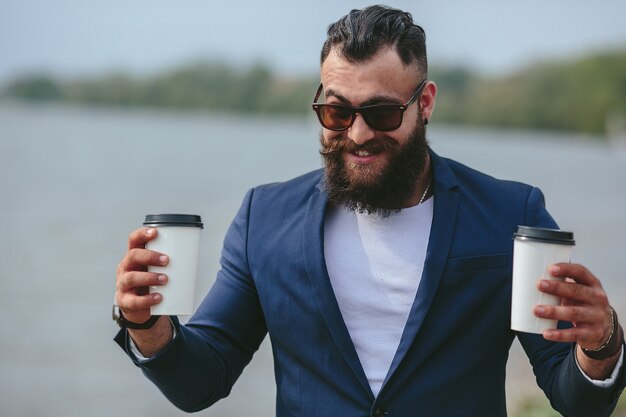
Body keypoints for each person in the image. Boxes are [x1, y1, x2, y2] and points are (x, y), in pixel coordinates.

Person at [114, 5, 625, 416]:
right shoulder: (264, 219)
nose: (357, 134)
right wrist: (149, 327)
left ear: (424, 103)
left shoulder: (512, 214)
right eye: (337, 112)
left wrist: (601, 344)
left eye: (380, 112)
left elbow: (575, 396)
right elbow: (202, 381)